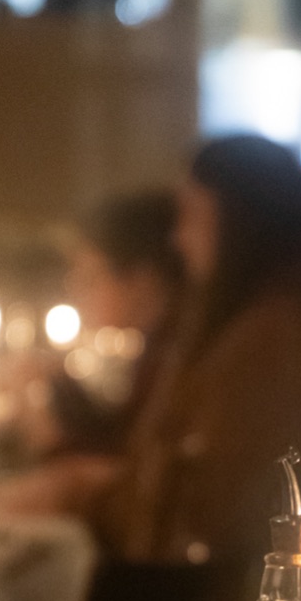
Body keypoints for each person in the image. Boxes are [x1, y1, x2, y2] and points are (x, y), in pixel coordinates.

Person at [0, 135, 301, 563]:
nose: (180, 239)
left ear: (239, 225)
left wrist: (76, 489)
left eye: (192, 217)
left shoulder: (271, 344)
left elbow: (198, 507)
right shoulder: (267, 329)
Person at [47, 189, 182, 455]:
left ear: (142, 280)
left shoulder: (177, 359)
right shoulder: (158, 348)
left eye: (90, 276)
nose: (77, 291)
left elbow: (130, 463)